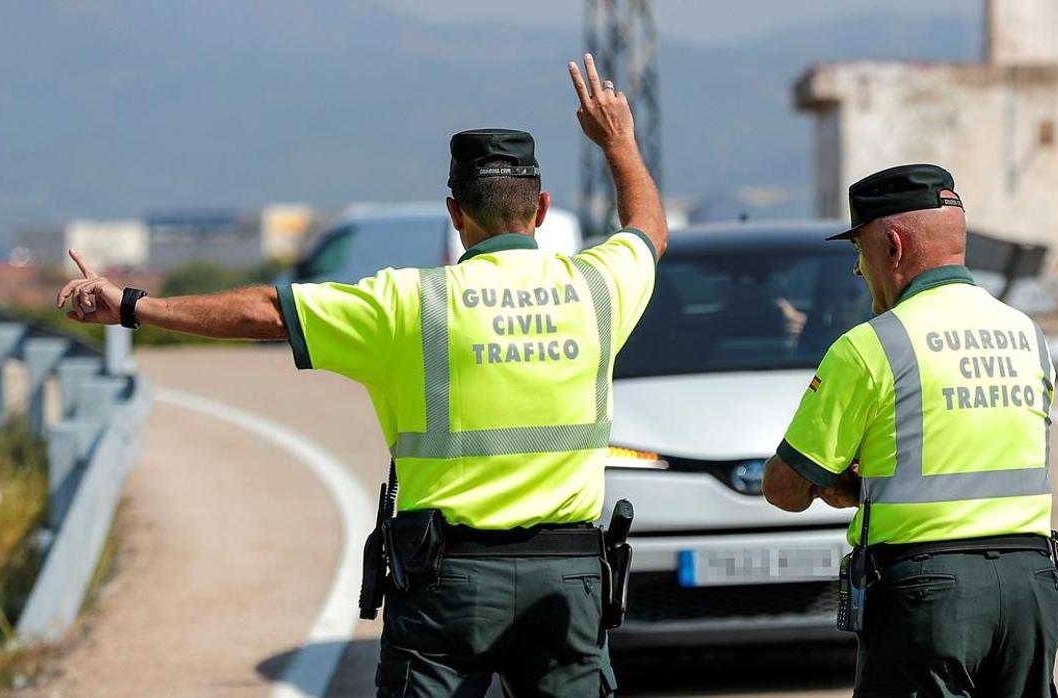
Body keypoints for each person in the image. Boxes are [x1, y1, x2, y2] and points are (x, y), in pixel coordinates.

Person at [55, 53, 666, 697]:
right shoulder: (600, 288)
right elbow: (647, 230)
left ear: (454, 213)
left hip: (448, 584)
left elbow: (266, 311)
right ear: (540, 208)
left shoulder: (406, 304)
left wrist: (130, 305)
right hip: (566, 584)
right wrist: (618, 142)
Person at [761, 164, 1058, 697]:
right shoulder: (1029, 335)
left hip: (929, 595)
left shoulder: (871, 346)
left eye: (860, 250)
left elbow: (785, 489)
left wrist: (847, 488)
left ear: (893, 247)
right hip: (1031, 587)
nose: (859, 270)